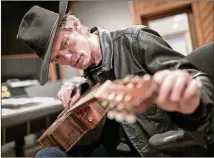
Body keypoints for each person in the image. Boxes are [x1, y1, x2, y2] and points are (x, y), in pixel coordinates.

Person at [17, 4, 214, 157]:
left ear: (76, 26)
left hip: (150, 149)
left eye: (66, 44)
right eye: (58, 58)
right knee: (46, 154)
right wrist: (76, 87)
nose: (68, 58)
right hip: (116, 147)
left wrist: (193, 95)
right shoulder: (88, 69)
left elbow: (196, 79)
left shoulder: (136, 41)